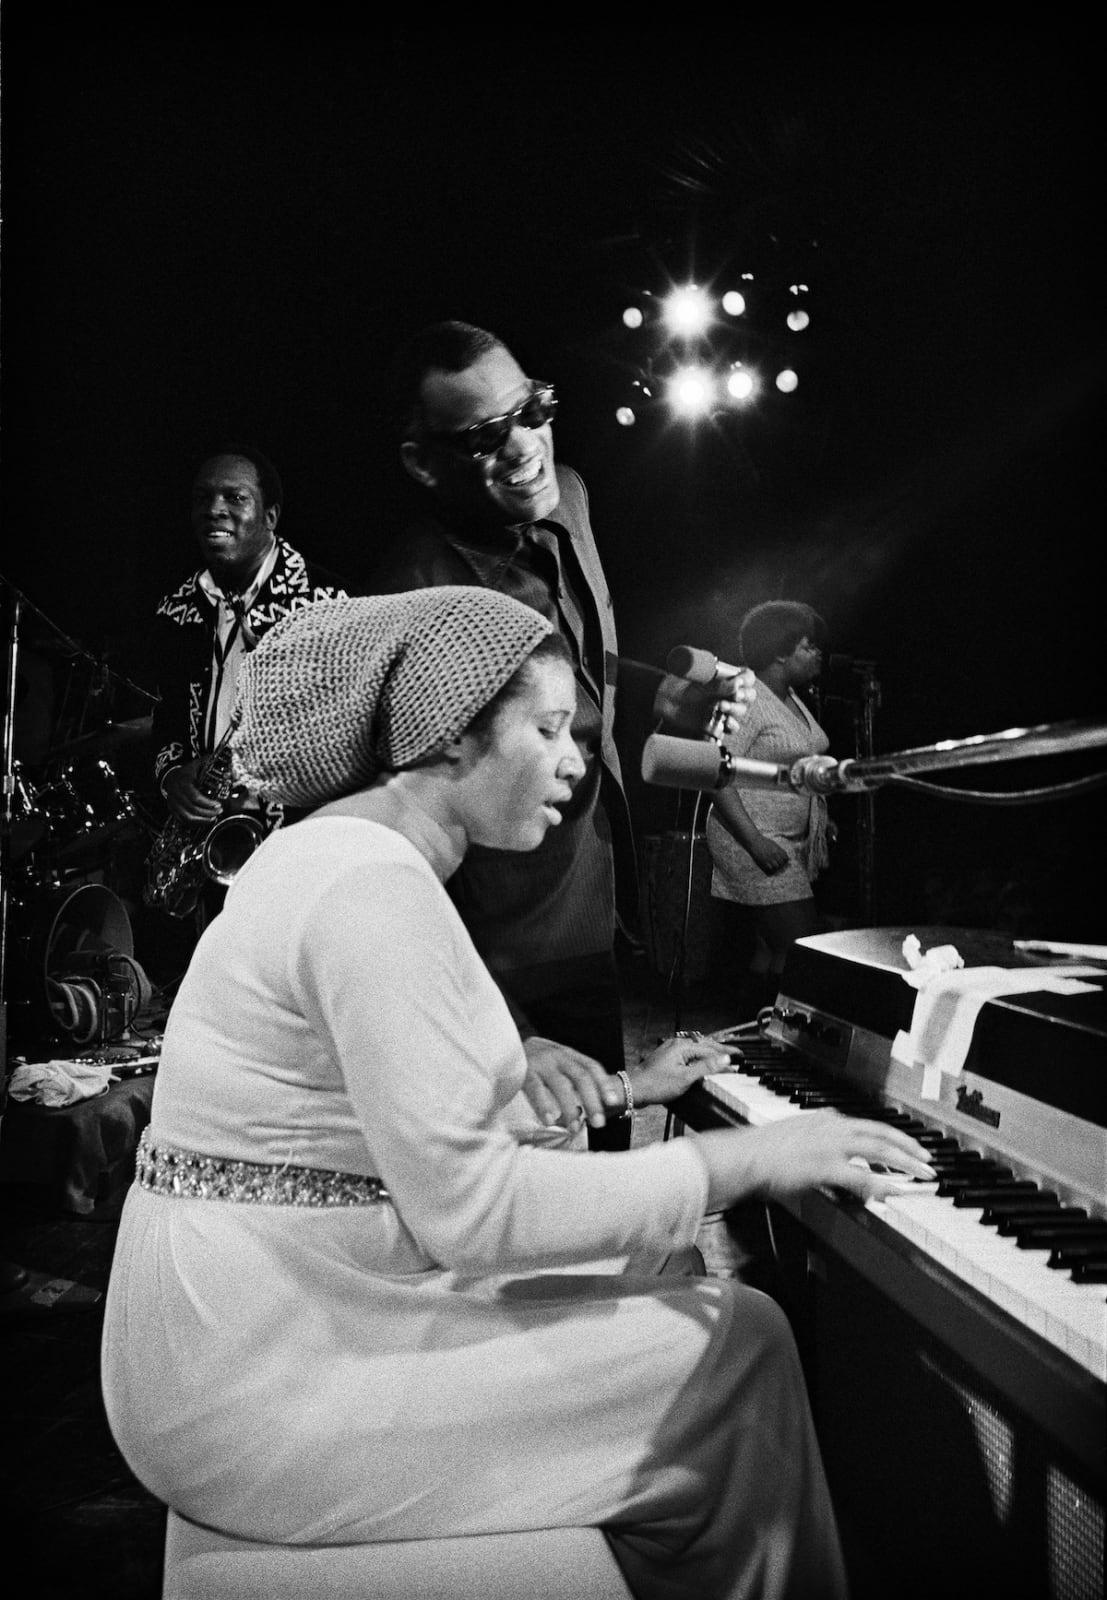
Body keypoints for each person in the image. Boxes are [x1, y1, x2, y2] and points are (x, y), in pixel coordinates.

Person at [100, 588, 934, 1600]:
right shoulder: (370, 889)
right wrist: (750, 1156)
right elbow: (474, 1210)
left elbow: (390, 1136)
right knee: (742, 1345)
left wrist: (613, 1093)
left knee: (664, 1271)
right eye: (546, 731)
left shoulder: (333, 860)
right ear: (451, 737)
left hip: (258, 1327)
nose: (578, 764)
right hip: (261, 1377)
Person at [375, 320, 745, 1150]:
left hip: (588, 909)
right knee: (526, 1215)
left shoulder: (568, 493)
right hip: (492, 950)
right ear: (423, 461)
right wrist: (496, 1023)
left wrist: (681, 703)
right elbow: (395, 841)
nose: (524, 447)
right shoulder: (411, 596)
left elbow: (580, 688)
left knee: (607, 1164)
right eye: (483, 437)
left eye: (532, 409)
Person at [145, 445, 350, 919]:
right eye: (203, 498)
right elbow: (165, 715)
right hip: (211, 842)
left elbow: (356, 732)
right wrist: (172, 775)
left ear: (270, 516)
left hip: (300, 841)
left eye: (235, 497)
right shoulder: (174, 610)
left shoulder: (328, 603)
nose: (215, 509)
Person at [706, 600, 832, 1016]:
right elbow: (713, 773)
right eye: (807, 646)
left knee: (773, 952)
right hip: (750, 838)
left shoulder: (791, 697)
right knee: (801, 945)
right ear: (780, 652)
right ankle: (783, 1033)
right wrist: (756, 842)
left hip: (788, 839)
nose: (817, 655)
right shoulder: (745, 698)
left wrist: (821, 821)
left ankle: (756, 1028)